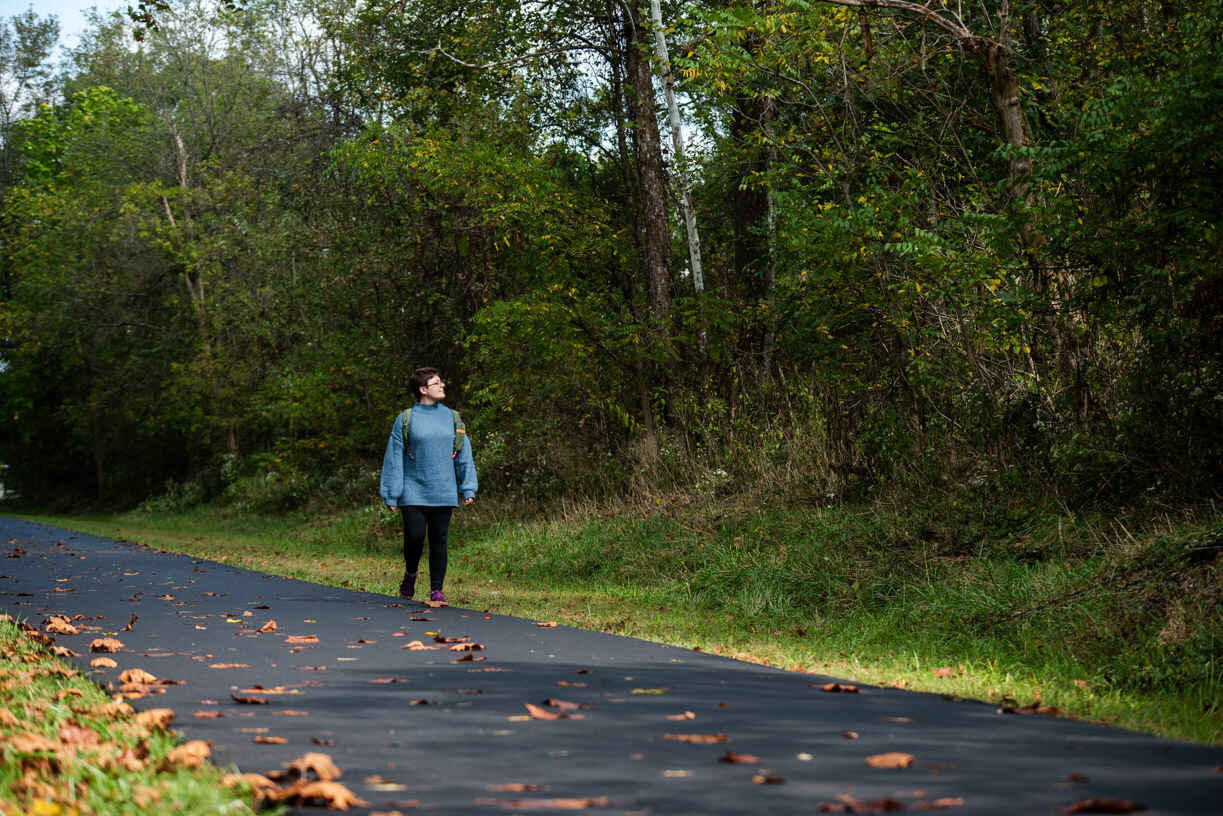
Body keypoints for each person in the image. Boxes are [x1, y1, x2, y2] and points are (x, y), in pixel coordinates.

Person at [380, 367, 478, 606]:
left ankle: (437, 591)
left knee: (438, 540)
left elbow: (463, 454)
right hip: (413, 490)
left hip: (444, 490)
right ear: (423, 389)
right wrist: (391, 494)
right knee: (414, 536)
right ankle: (410, 574)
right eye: (436, 383)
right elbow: (394, 458)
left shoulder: (453, 418)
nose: (442, 385)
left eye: (441, 381)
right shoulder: (406, 419)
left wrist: (468, 487)